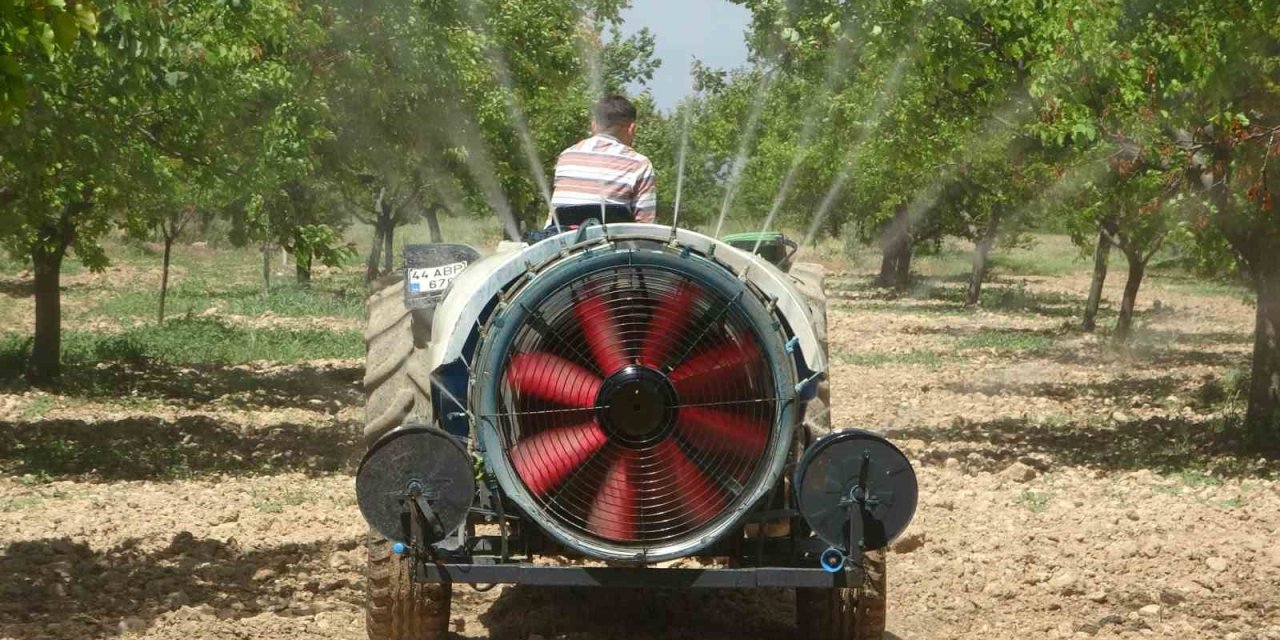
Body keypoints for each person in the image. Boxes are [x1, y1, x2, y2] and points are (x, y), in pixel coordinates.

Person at [550, 95, 657, 224]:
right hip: (613, 242)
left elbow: (554, 212)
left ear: (594, 125)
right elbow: (644, 226)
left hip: (563, 240)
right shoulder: (639, 164)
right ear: (632, 128)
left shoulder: (566, 156)